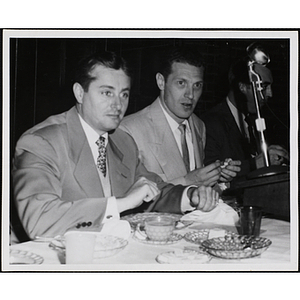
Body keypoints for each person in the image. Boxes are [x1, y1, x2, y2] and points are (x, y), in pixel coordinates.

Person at [12, 51, 219, 241]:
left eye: (124, 94)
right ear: (79, 93)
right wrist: (122, 202)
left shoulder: (123, 141)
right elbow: (39, 220)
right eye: (107, 93)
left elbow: (153, 190)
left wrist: (190, 195)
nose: (118, 105)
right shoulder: (41, 141)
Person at [120, 46, 241, 188]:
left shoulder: (199, 125)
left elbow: (199, 190)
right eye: (181, 83)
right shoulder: (129, 130)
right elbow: (128, 195)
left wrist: (216, 177)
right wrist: (187, 181)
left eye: (197, 85)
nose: (190, 94)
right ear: (161, 81)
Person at [202, 56, 289, 176]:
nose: (270, 93)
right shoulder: (210, 123)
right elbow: (210, 174)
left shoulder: (256, 119)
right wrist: (254, 164)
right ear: (242, 87)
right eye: (263, 87)